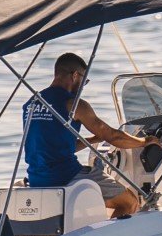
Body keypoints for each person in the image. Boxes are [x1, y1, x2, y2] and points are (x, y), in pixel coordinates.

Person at [22, 52, 152, 218]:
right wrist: (145, 141)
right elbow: (113, 136)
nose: (83, 86)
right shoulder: (73, 104)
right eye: (85, 80)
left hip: (37, 178)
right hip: (66, 175)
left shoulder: (31, 104)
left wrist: (92, 139)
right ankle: (106, 234)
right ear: (75, 75)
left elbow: (53, 147)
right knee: (129, 202)